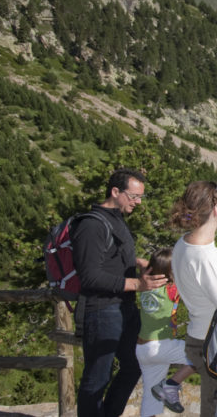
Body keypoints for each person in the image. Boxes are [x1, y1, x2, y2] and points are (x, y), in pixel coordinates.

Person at [72, 168, 168, 417]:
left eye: (140, 198)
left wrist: (138, 262)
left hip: (122, 308)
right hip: (101, 310)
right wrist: (138, 284)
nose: (137, 203)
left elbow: (110, 255)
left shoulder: (115, 219)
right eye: (133, 196)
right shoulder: (91, 225)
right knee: (97, 377)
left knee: (134, 364)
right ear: (115, 192)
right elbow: (90, 276)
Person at [169, 181, 217, 417]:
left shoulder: (184, 244)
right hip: (214, 341)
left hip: (200, 333)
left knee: (213, 402)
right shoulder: (203, 256)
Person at [135, 247, 196, 416]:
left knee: (151, 396)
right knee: (202, 354)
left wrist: (141, 263)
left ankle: (161, 392)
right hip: (161, 345)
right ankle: (171, 384)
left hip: (142, 348)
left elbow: (142, 263)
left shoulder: (146, 284)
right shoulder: (172, 290)